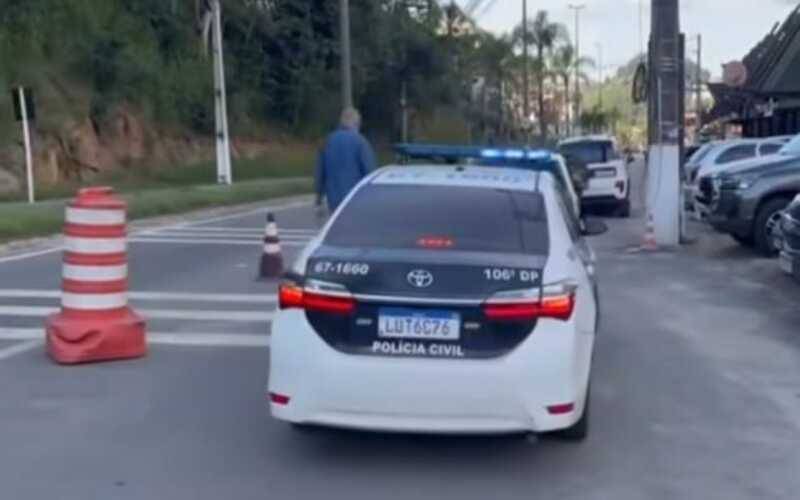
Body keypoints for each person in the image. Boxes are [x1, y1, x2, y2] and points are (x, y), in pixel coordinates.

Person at [315, 107, 376, 212]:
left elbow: (320, 173)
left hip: (333, 200)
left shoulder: (327, 141)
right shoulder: (361, 142)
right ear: (356, 123)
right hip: (356, 200)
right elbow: (369, 173)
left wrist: (319, 197)